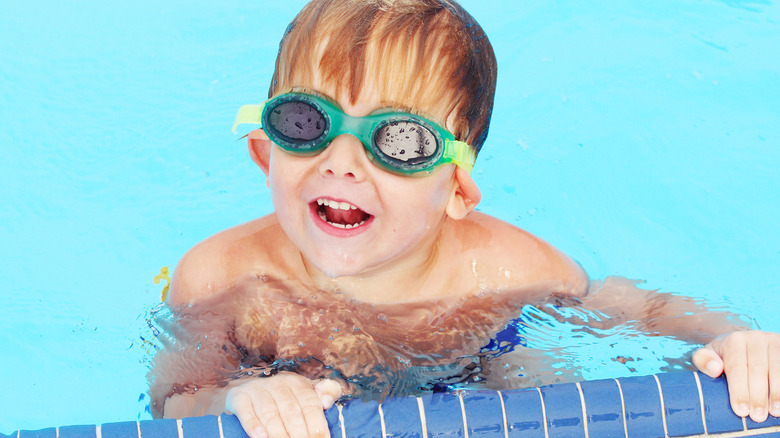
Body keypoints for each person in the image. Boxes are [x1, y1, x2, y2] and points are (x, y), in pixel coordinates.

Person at [147, 1, 780, 437]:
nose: (341, 163)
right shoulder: (222, 280)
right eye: (306, 123)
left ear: (457, 189)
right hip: (289, 381)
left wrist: (733, 340)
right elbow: (172, 403)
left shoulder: (507, 270)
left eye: (397, 140)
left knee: (538, 388)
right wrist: (233, 402)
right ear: (265, 152)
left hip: (471, 365)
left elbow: (637, 313)